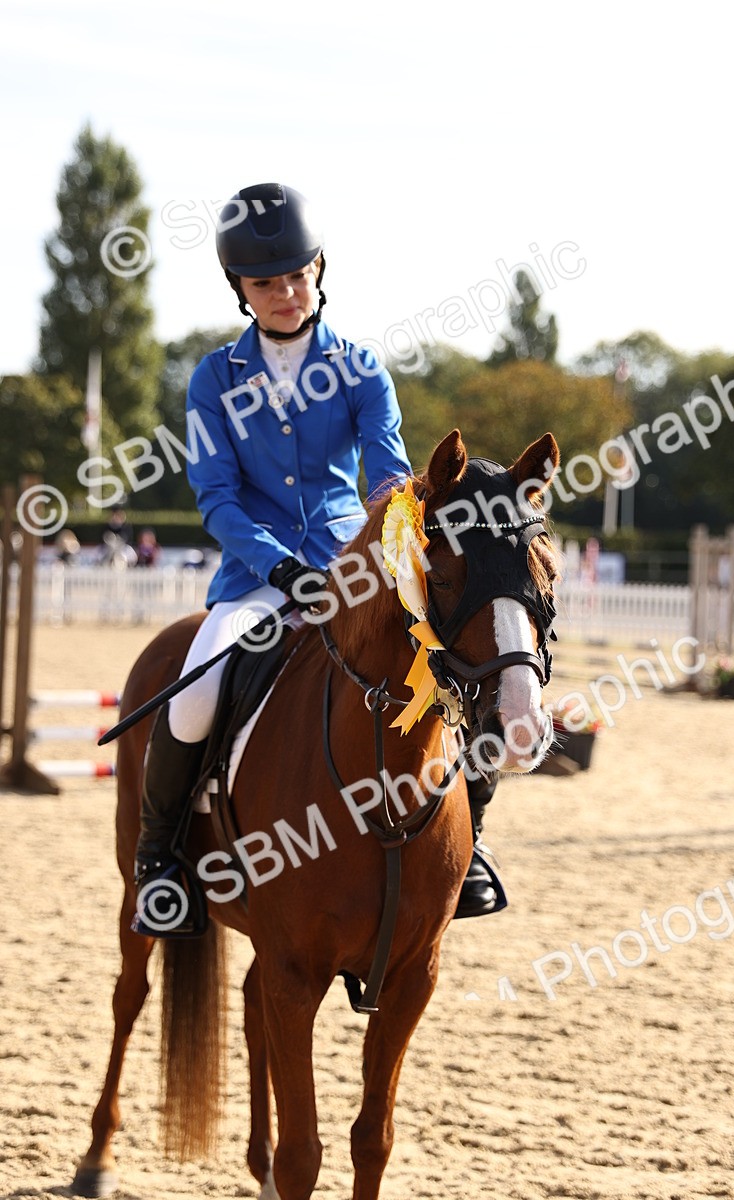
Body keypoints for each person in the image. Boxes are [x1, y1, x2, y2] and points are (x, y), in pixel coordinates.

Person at [132, 182, 504, 937]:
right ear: (241, 289)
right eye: (266, 283)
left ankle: (472, 847)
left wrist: (389, 541)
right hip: (256, 580)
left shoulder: (363, 368)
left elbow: (390, 475)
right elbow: (217, 498)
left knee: (456, 669)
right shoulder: (213, 380)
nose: (286, 293)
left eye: (297, 276)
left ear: (320, 270)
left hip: (357, 568)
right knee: (195, 694)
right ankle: (160, 860)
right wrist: (275, 567)